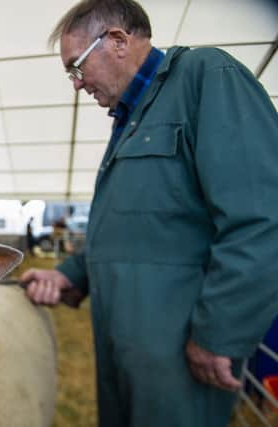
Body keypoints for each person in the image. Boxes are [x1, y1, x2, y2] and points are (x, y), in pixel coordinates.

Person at [21, 1, 278, 426]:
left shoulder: (205, 76)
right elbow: (135, 228)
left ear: (118, 41)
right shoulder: (130, 118)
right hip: (123, 352)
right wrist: (68, 274)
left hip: (179, 357)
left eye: (76, 67)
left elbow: (263, 217)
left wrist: (218, 334)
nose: (76, 85)